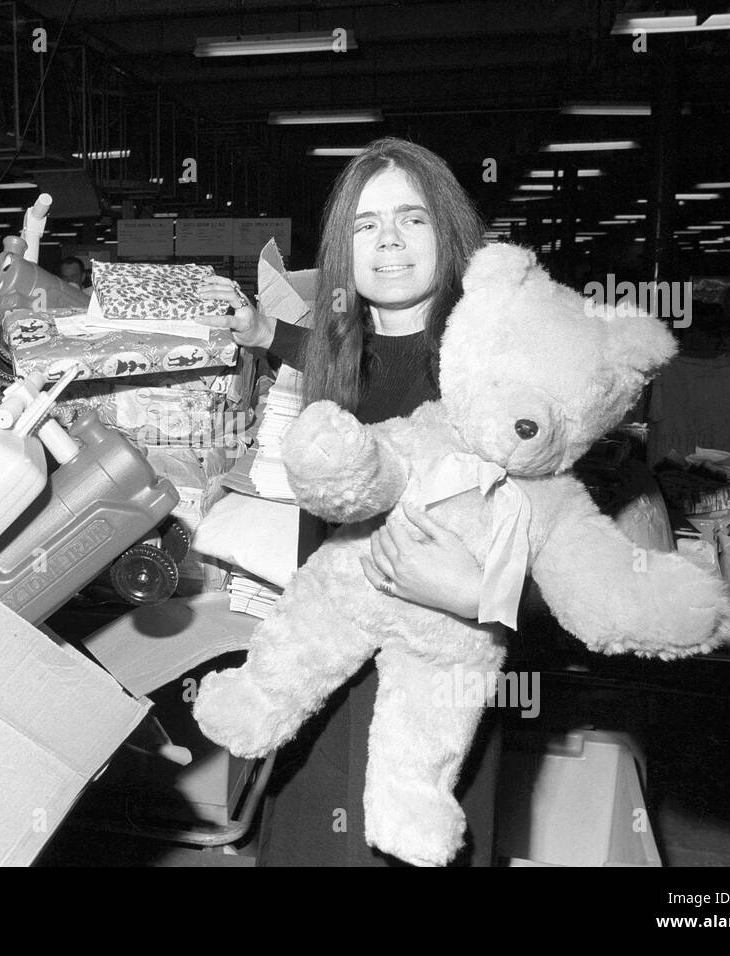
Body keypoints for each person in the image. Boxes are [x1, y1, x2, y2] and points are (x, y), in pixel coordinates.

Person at [197, 137, 499, 866]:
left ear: (449, 231)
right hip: (326, 672)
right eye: (366, 225)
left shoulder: (492, 366)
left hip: (434, 692)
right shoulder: (342, 350)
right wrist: (264, 331)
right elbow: (346, 357)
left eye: (411, 218)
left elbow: (563, 542)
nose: (388, 240)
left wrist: (482, 590)